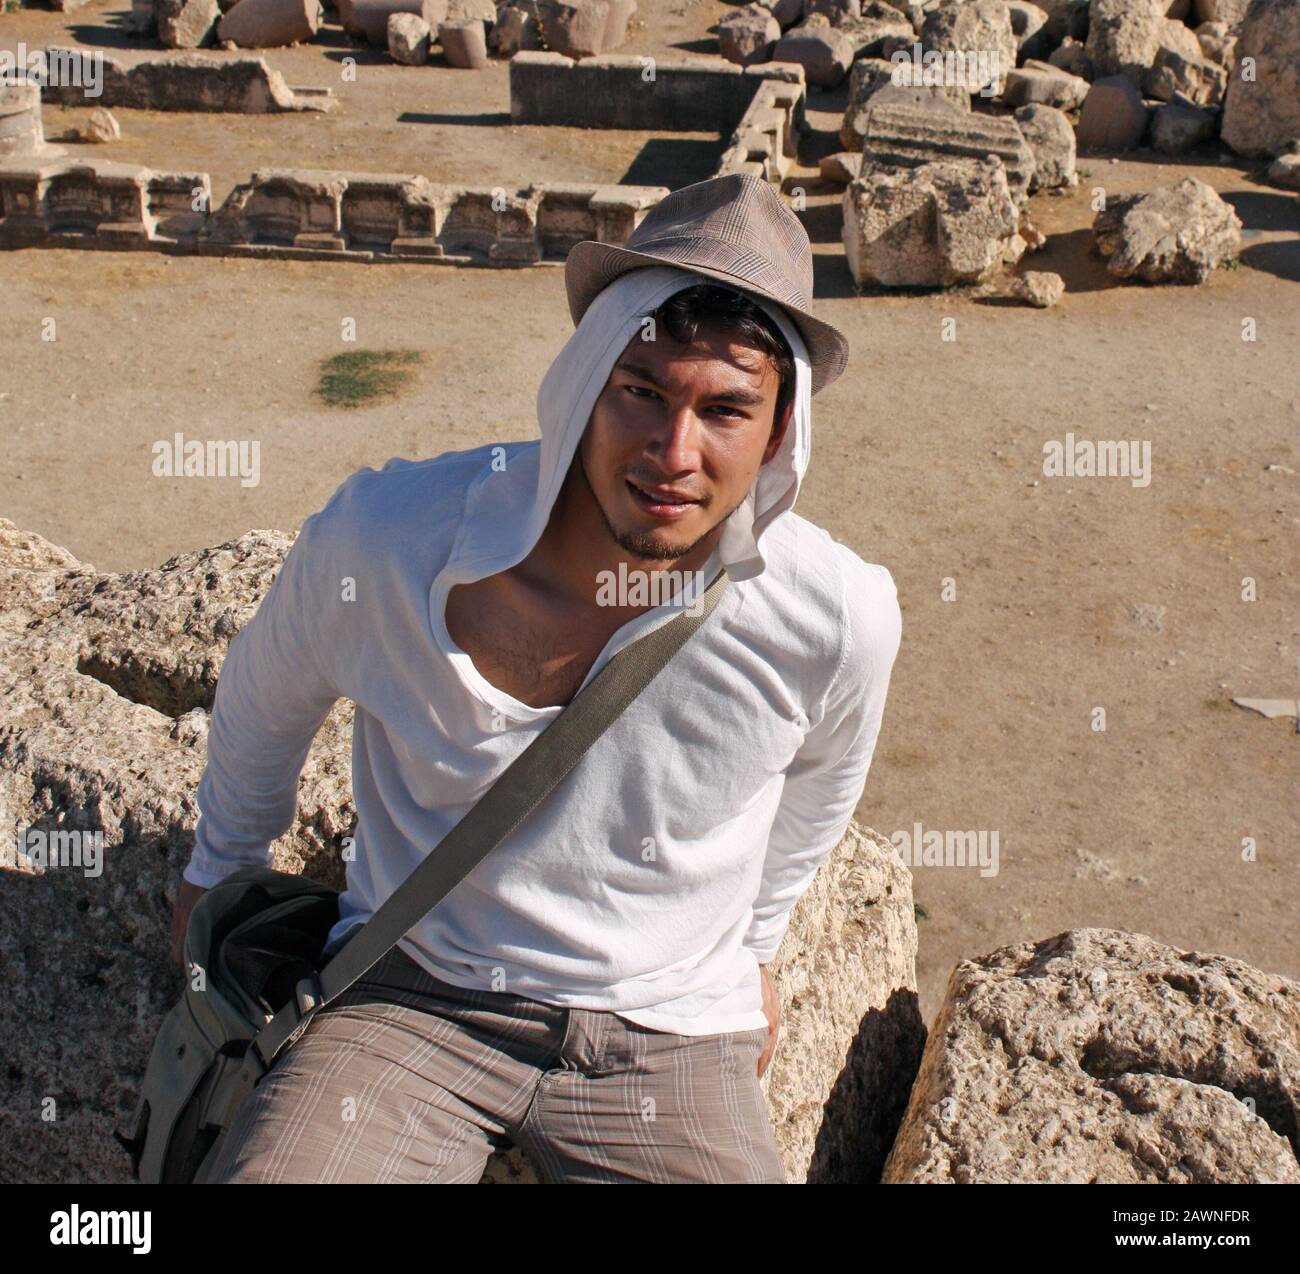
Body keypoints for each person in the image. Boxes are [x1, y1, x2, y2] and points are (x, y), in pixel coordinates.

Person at [174, 173, 902, 1184]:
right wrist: (216, 871)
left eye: (725, 408)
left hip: (669, 1032)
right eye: (641, 391)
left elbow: (821, 783)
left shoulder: (832, 614)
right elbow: (265, 694)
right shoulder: (389, 544)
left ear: (780, 432)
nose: (673, 453)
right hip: (411, 996)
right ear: (582, 380)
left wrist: (755, 947)